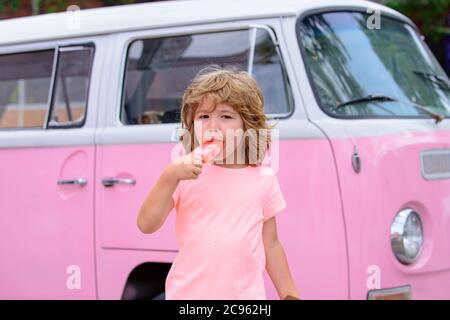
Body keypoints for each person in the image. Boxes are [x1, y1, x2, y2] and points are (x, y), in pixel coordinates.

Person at [137, 65, 300, 300]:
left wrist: (289, 293)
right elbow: (146, 224)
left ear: (248, 126)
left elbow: (271, 243)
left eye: (225, 116)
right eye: (204, 116)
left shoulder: (263, 179)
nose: (213, 126)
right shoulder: (185, 174)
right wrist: (169, 176)